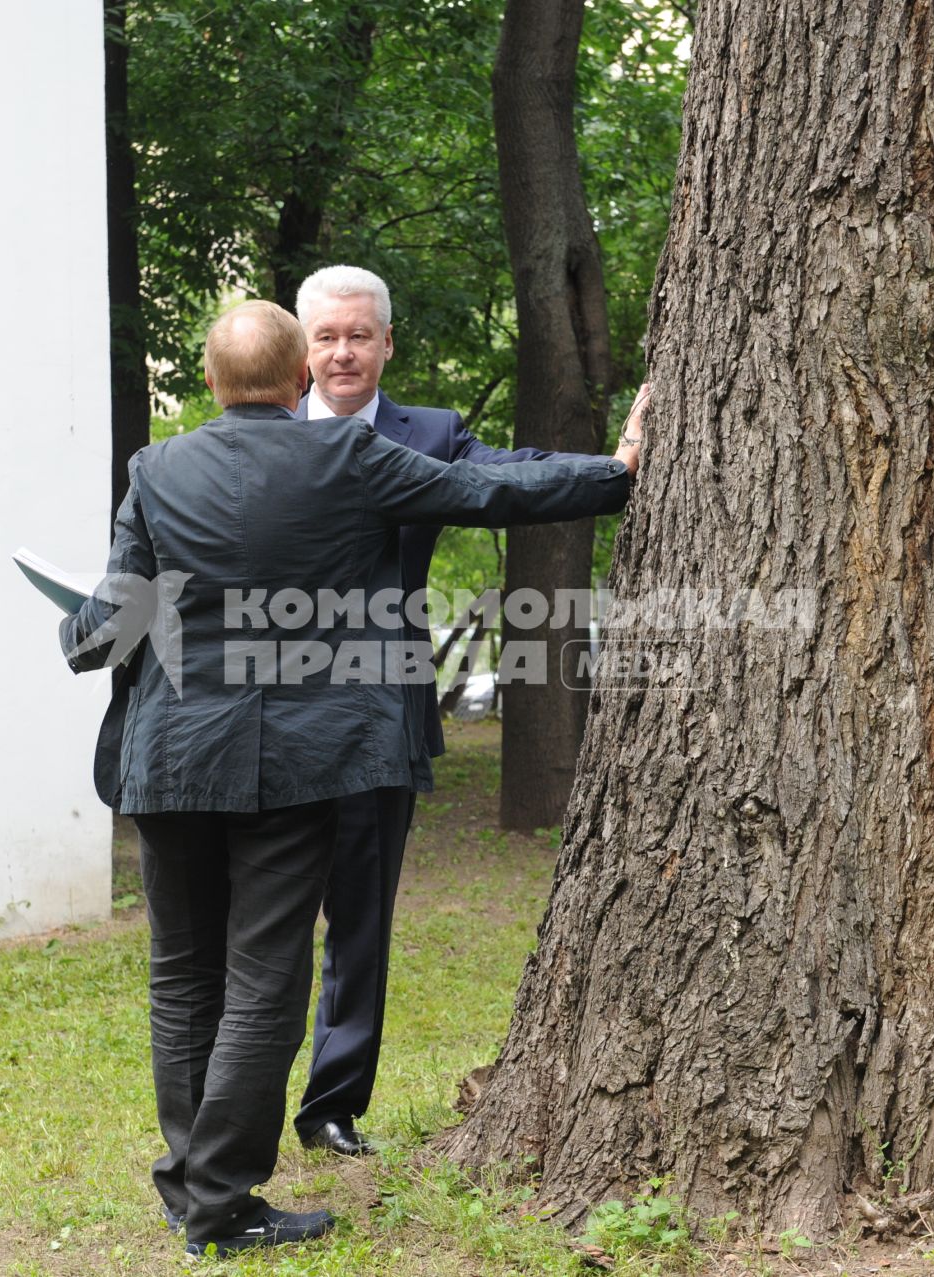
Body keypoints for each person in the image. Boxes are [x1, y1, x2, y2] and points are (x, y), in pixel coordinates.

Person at [60, 300, 645, 1259]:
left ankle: (191, 1186)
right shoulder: (345, 455)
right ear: (299, 382)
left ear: (211, 383)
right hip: (299, 762)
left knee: (182, 980)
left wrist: (75, 624)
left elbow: (105, 627)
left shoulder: (157, 469)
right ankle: (218, 1197)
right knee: (263, 984)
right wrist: (615, 474)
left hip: (171, 761)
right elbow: (491, 493)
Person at [290, 264, 649, 1156]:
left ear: (386, 344)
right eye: (327, 337)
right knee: (263, 917)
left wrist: (614, 471)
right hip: (272, 712)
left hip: (383, 717)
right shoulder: (256, 433)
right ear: (303, 349)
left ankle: (331, 1103)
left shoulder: (429, 436)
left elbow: (511, 480)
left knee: (362, 916)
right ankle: (241, 1097)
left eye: (359, 336)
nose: (343, 352)